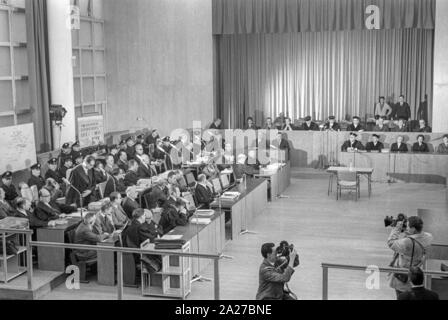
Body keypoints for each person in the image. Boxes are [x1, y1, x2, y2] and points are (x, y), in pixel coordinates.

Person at [387, 215, 433, 298]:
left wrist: (397, 227)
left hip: (403, 278)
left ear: (413, 229)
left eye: (408, 226)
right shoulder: (428, 237)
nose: (407, 228)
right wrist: (407, 231)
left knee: (403, 297)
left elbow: (391, 242)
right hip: (416, 274)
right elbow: (417, 236)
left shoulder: (407, 242)